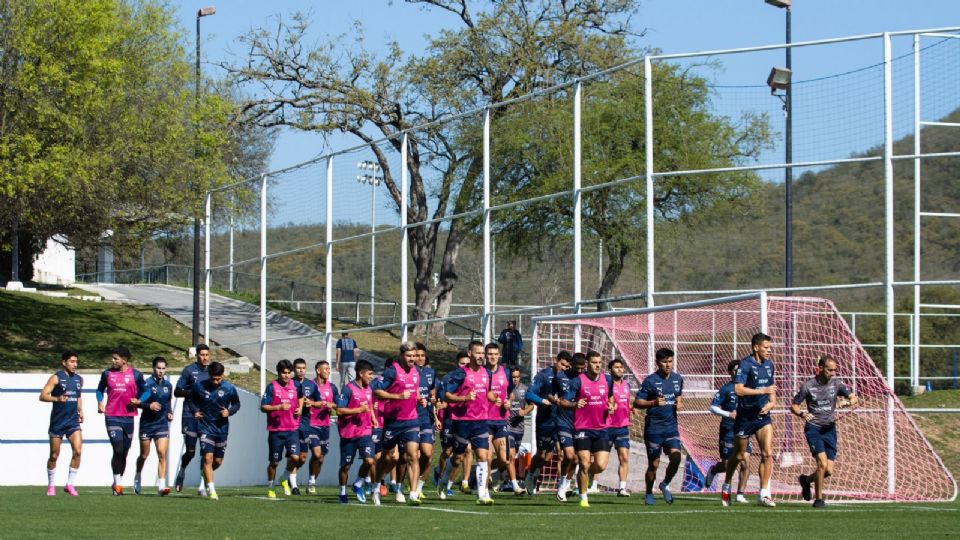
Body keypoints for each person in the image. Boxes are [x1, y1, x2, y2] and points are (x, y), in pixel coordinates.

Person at [790, 355, 858, 508]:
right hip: (813, 428)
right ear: (820, 369)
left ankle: (806, 481)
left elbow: (854, 398)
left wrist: (847, 402)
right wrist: (802, 413)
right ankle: (819, 499)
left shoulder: (837, 384)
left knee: (828, 470)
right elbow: (794, 405)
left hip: (830, 429)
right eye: (830, 370)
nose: (833, 373)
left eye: (835, 370)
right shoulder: (808, 386)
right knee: (821, 464)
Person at [721, 332, 778, 508]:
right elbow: (738, 389)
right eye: (766, 347)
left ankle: (763, 494)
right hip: (745, 417)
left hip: (762, 417)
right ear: (756, 347)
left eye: (770, 347)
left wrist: (772, 403)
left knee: (767, 453)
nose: (769, 350)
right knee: (738, 456)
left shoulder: (769, 365)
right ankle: (727, 483)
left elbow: (771, 388)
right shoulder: (745, 365)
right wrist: (762, 391)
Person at [558, 350, 615, 508]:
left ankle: (583, 475)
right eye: (595, 362)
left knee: (601, 466)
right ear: (587, 364)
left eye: (599, 362)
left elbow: (610, 398)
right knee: (583, 462)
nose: (598, 365)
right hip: (582, 428)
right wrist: (574, 404)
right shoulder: (578, 381)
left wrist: (611, 406)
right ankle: (583, 498)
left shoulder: (607, 380)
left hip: (602, 428)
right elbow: (563, 402)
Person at [442, 340, 494, 505]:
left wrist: (499, 399)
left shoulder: (487, 373)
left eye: (482, 353)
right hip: (462, 421)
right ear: (470, 354)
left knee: (483, 455)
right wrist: (464, 398)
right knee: (457, 457)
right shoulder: (461, 374)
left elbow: (488, 393)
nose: (481, 356)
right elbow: (447, 395)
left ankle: (482, 494)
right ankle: (443, 481)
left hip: (481, 420)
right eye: (478, 353)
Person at [372, 342, 423, 505]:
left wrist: (419, 398)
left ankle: (413, 493)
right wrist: (398, 397)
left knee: (413, 455)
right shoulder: (392, 371)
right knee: (387, 456)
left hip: (412, 419)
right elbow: (377, 391)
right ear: (401, 355)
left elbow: (414, 389)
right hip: (393, 421)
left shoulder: (416, 371)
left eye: (414, 356)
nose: (412, 359)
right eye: (409, 356)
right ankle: (375, 486)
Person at [634, 348, 684, 506]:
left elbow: (679, 395)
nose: (668, 365)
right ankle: (649, 492)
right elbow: (637, 402)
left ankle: (665, 484)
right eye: (664, 362)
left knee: (676, 457)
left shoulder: (678, 378)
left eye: (670, 361)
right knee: (653, 464)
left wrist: (680, 402)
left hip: (671, 427)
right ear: (657, 363)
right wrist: (653, 402)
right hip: (654, 429)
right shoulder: (650, 381)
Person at [96, 346, 144, 496]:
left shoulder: (136, 375)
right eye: (113, 358)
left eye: (116, 358)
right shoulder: (107, 374)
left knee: (125, 451)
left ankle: (118, 480)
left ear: (124, 360)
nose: (113, 361)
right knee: (117, 449)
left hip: (128, 417)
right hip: (112, 416)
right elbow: (99, 390)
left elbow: (146, 391)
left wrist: (139, 400)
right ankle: (118, 484)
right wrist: (100, 401)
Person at [189, 361, 241, 500]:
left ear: (222, 376)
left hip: (222, 428)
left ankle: (204, 474)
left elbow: (237, 404)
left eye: (219, 379)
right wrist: (195, 411)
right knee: (207, 458)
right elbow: (191, 400)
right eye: (213, 378)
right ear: (209, 375)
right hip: (205, 426)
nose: (216, 381)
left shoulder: (229, 388)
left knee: (217, 461)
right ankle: (212, 490)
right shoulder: (199, 386)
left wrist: (229, 412)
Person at [523, 350, 572, 496]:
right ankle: (531, 473)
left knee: (565, 454)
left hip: (563, 420)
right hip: (546, 420)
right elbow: (529, 393)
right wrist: (542, 400)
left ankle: (564, 486)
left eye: (566, 366)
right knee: (544, 455)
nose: (564, 368)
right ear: (556, 360)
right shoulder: (544, 375)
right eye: (562, 364)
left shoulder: (569, 378)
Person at [705, 359, 751, 503]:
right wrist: (728, 414)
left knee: (745, 463)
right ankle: (713, 470)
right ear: (730, 372)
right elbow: (712, 407)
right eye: (736, 370)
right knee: (727, 464)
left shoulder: (747, 388)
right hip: (728, 430)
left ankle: (740, 494)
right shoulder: (726, 389)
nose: (738, 373)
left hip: (743, 430)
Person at [39, 350, 84, 497]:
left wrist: (81, 411)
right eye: (72, 361)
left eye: (76, 362)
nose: (75, 364)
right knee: (54, 455)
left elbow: (78, 396)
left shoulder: (79, 379)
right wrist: (57, 399)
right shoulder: (56, 378)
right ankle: (51, 485)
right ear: (64, 362)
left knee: (77, 451)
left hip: (73, 422)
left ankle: (69, 484)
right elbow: (43, 396)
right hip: (58, 422)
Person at [336, 360, 378, 504]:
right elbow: (340, 410)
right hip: (349, 433)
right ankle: (342, 492)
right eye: (370, 374)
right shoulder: (348, 389)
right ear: (361, 373)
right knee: (346, 466)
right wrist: (358, 410)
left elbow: (370, 405)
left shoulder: (369, 388)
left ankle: (358, 483)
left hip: (365, 431)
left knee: (369, 460)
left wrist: (373, 418)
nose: (371, 377)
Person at [260, 359, 303, 498]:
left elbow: (301, 397)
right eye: (283, 373)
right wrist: (278, 407)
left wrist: (300, 408)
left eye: (288, 373)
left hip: (293, 429)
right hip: (276, 431)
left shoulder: (296, 385)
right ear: (278, 373)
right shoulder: (271, 387)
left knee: (296, 457)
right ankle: (271, 487)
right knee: (274, 462)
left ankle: (284, 477)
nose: (286, 375)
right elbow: (263, 407)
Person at [173, 343, 211, 494]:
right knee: (190, 451)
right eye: (202, 355)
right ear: (197, 355)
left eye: (207, 355)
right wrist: (191, 392)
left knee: (206, 451)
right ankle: (182, 472)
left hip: (206, 416)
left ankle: (202, 484)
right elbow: (177, 392)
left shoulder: (211, 371)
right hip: (189, 414)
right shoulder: (189, 371)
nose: (205, 358)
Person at [134, 356, 174, 496]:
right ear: (153, 368)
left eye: (163, 368)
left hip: (161, 424)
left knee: (162, 453)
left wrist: (169, 412)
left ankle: (161, 485)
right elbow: (137, 403)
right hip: (147, 424)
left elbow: (168, 402)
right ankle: (138, 475)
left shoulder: (168, 386)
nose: (161, 371)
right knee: (144, 455)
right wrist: (148, 405)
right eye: (158, 368)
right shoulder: (146, 384)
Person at [485, 342, 521, 495]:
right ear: (485, 355)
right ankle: (484, 490)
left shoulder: (505, 372)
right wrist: (492, 398)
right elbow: (483, 392)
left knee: (505, 459)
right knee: (486, 456)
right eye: (490, 354)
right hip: (484, 419)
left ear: (499, 355)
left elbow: (511, 392)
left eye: (495, 354)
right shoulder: (481, 372)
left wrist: (509, 401)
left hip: (501, 420)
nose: (493, 357)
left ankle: (483, 474)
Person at [434, 350, 470, 498]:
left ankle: (450, 484)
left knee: (463, 453)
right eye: (462, 363)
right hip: (450, 419)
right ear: (457, 363)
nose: (464, 366)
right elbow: (441, 398)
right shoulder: (449, 378)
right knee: (448, 452)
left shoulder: (473, 376)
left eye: (467, 364)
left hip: (467, 419)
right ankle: (439, 473)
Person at [552, 352, 586, 501]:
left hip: (581, 422)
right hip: (563, 421)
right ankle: (562, 484)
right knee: (569, 455)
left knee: (578, 460)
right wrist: (556, 401)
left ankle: (565, 485)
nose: (580, 371)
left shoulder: (585, 378)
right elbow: (549, 394)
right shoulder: (560, 377)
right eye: (577, 368)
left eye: (582, 368)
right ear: (571, 364)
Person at [301, 360, 338, 495]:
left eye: (329, 369)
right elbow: (303, 400)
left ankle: (312, 482)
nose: (328, 371)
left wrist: (331, 405)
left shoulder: (332, 387)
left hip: (325, 426)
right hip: (311, 425)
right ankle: (310, 482)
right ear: (318, 370)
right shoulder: (309, 386)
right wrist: (309, 403)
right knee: (316, 454)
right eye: (326, 369)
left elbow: (339, 404)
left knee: (321, 458)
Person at [502, 367, 534, 492]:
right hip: (507, 427)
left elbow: (531, 405)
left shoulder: (525, 389)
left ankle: (504, 477)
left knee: (511, 456)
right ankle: (513, 484)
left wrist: (524, 411)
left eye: (517, 377)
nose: (515, 379)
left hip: (520, 428)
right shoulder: (505, 389)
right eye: (513, 377)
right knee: (510, 455)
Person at [413, 342, 438, 498]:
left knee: (427, 454)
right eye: (417, 356)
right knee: (411, 455)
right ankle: (407, 485)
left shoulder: (430, 373)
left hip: (426, 417)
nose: (420, 358)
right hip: (411, 418)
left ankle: (419, 484)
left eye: (422, 356)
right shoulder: (408, 372)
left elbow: (433, 393)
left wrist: (434, 404)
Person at [607, 358, 633, 497]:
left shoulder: (626, 385)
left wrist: (630, 410)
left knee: (624, 457)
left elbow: (626, 403)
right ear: (610, 370)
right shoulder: (606, 385)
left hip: (622, 426)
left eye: (621, 367)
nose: (619, 369)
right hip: (606, 426)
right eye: (616, 367)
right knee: (599, 461)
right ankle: (590, 485)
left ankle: (622, 487)